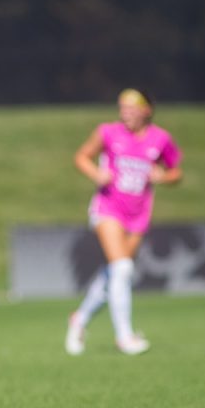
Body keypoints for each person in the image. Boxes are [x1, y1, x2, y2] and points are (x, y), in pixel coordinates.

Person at [65, 89, 182, 356]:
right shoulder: (108, 132)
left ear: (147, 110)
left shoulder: (160, 139)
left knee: (116, 273)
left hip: (138, 215)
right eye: (122, 107)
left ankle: (80, 318)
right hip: (108, 209)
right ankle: (124, 336)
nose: (125, 113)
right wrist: (97, 174)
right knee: (122, 268)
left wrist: (162, 177)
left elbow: (177, 172)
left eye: (131, 108)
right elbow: (81, 156)